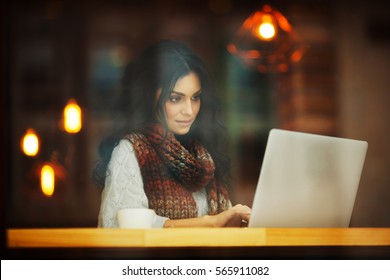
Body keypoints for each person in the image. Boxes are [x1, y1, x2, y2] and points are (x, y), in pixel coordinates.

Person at [93, 40, 251, 228]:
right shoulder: (131, 151)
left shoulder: (203, 156)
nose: (190, 111)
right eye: (176, 99)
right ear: (149, 96)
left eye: (195, 98)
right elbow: (119, 230)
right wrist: (210, 223)